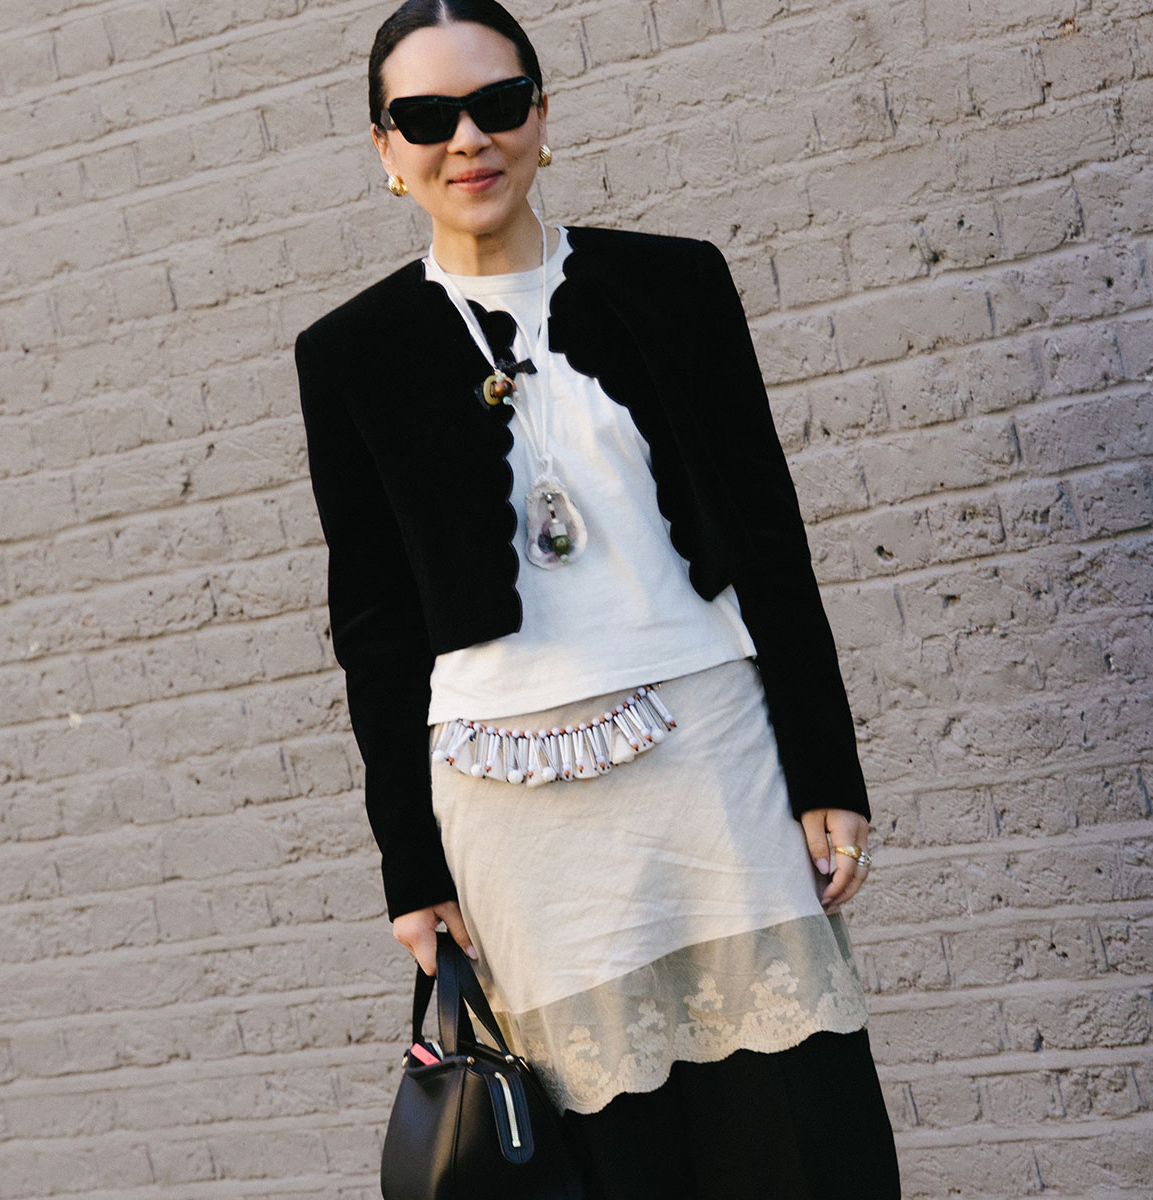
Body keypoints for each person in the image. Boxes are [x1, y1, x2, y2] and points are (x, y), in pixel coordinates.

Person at [294, 1, 901, 1195]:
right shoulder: (350, 353)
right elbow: (374, 630)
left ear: (541, 117)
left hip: (712, 757)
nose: (467, 139)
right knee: (607, 1152)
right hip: (514, 808)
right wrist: (409, 872)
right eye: (425, 117)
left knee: (793, 1120)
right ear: (385, 151)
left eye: (497, 104)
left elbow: (771, 539)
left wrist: (827, 774)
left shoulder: (674, 285)